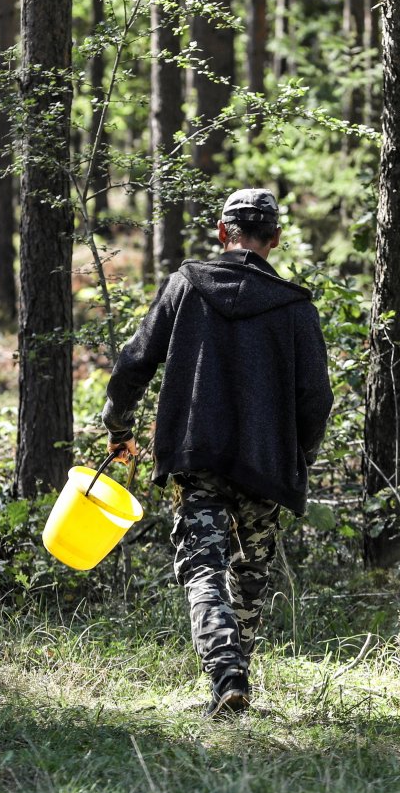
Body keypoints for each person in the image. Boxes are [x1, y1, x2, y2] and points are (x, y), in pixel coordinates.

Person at [102, 188, 334, 717]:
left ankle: (228, 677)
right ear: (274, 239)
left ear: (223, 232)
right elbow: (316, 399)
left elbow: (135, 360)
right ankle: (235, 680)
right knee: (249, 576)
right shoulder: (296, 308)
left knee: (204, 570)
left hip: (196, 454)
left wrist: (118, 424)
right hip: (265, 464)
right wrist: (298, 456)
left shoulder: (186, 285)